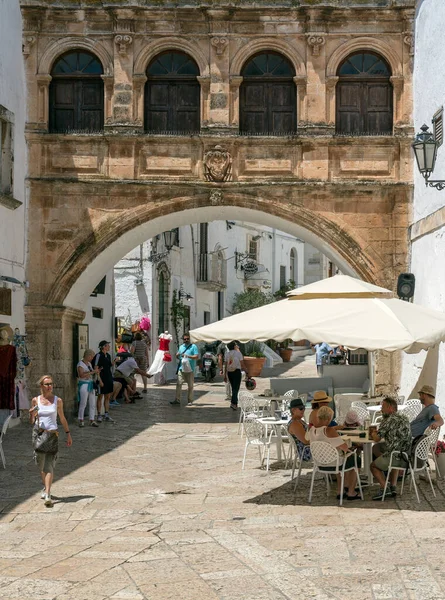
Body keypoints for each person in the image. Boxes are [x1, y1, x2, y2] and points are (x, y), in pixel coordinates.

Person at [29, 375, 72, 507]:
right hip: (39, 434)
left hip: (52, 434)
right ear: (41, 386)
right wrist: (32, 414)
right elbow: (32, 422)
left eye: (51, 384)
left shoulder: (57, 401)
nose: (49, 386)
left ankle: (48, 493)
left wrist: (68, 433)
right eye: (47, 384)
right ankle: (45, 487)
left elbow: (62, 418)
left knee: (49, 465)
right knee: (41, 465)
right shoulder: (35, 400)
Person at [306, 405, 361, 500]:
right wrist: (351, 447)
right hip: (334, 463)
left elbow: (306, 439)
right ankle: (351, 491)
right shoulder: (329, 430)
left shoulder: (311, 430)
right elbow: (344, 447)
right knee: (356, 459)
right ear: (328, 418)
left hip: (320, 463)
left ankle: (340, 490)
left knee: (339, 458)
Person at [370, 396, 412, 501]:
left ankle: (385, 488)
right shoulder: (404, 418)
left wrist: (373, 432)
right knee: (376, 448)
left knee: (373, 466)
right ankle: (393, 486)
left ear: (390, 407)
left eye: (383, 407)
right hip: (406, 456)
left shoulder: (387, 420)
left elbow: (376, 438)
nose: (381, 409)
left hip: (395, 455)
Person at [93, 341, 121, 422]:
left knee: (107, 397)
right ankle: (99, 414)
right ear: (103, 347)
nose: (109, 347)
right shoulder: (98, 356)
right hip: (102, 378)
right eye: (108, 345)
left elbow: (108, 365)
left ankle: (106, 414)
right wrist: (99, 380)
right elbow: (96, 368)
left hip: (108, 378)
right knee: (100, 397)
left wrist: (114, 362)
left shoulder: (108, 355)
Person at [170, 333, 199, 406]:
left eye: (187, 339)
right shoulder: (181, 347)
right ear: (183, 340)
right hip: (181, 368)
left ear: (190, 339)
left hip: (190, 369)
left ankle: (190, 400)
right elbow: (179, 356)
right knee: (179, 384)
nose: (186, 340)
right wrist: (177, 356)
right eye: (185, 339)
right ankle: (177, 399)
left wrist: (188, 356)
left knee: (190, 386)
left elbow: (196, 356)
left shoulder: (193, 346)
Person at [77, 349, 100, 427]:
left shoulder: (89, 363)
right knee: (83, 403)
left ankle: (92, 419)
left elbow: (90, 373)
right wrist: (92, 372)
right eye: (92, 356)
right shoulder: (80, 364)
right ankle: (81, 419)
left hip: (90, 384)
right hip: (84, 384)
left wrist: (96, 371)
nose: (92, 358)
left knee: (92, 403)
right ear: (88, 356)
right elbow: (81, 375)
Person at [223, 341, 247, 411]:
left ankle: (234, 403)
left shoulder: (227, 354)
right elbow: (242, 364)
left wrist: (225, 375)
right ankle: (234, 403)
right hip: (236, 372)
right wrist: (246, 370)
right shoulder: (238, 353)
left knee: (233, 387)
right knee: (236, 388)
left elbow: (226, 365)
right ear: (234, 346)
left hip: (229, 372)